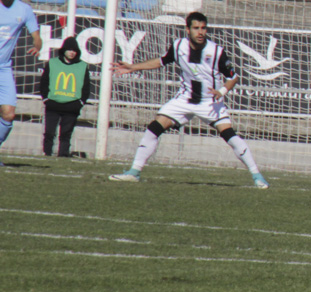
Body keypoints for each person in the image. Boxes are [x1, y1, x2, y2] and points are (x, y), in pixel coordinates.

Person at [109, 12, 269, 188]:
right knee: (155, 127)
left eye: (203, 28)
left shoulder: (216, 51)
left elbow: (233, 76)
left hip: (210, 102)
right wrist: (132, 67)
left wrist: (222, 91)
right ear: (188, 29)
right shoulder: (178, 46)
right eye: (196, 28)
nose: (200, 32)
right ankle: (134, 172)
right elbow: (161, 61)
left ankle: (257, 176)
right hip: (185, 99)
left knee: (229, 136)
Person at [0, 0, 42, 159]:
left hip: (3, 68)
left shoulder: (24, 10)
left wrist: (37, 44)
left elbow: (36, 36)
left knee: (8, 115)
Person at [38, 36, 91, 158]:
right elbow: (44, 82)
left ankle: (63, 154)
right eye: (69, 49)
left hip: (72, 106)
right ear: (64, 50)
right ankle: (47, 153)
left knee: (66, 133)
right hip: (53, 104)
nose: (71, 52)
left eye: (74, 50)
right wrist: (46, 99)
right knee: (49, 132)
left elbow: (86, 87)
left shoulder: (82, 66)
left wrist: (80, 102)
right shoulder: (52, 63)